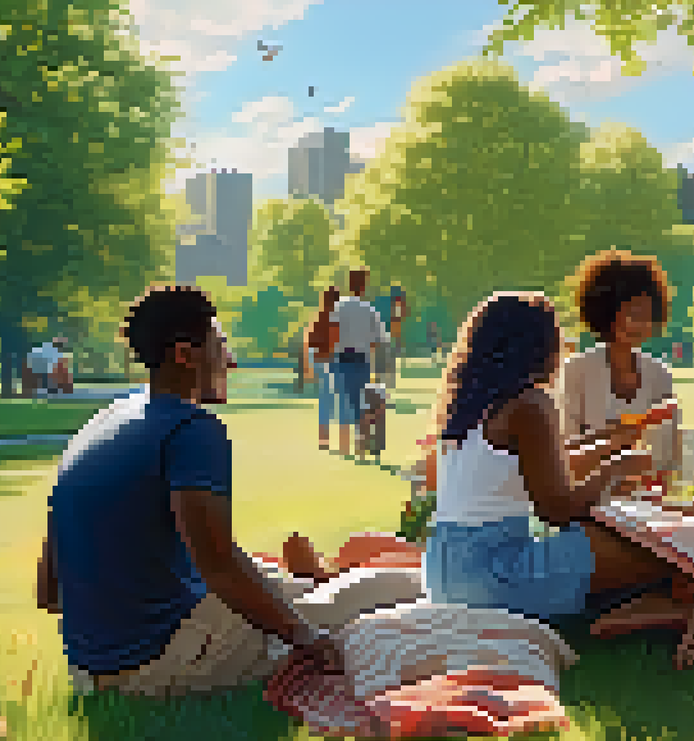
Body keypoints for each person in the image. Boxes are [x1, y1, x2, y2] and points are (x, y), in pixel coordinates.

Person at [38, 285, 421, 698]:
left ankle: (309, 578)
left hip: (89, 668)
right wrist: (306, 638)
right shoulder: (191, 429)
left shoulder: (102, 422)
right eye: (221, 345)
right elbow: (217, 565)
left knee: (282, 583)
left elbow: (49, 591)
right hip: (157, 664)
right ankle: (428, 589)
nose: (232, 361)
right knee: (366, 601)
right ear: (185, 355)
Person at [423, 292, 670, 621]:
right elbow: (557, 510)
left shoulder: (469, 407)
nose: (563, 347)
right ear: (536, 346)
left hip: (445, 574)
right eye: (558, 337)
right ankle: (650, 611)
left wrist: (610, 442)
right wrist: (615, 469)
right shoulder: (530, 403)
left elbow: (544, 465)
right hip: (492, 576)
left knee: (618, 541)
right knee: (658, 548)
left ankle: (625, 609)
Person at [555, 250, 681, 487]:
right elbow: (564, 452)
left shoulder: (659, 374)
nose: (640, 324)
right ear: (607, 314)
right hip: (588, 501)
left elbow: (668, 454)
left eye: (647, 315)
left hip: (647, 499)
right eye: (632, 314)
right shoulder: (577, 371)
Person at [331, 269, 391, 458]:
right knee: (361, 402)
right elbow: (379, 340)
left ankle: (345, 445)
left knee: (345, 401)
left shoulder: (338, 307)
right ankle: (361, 442)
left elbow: (332, 334)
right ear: (363, 286)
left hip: (342, 358)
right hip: (363, 359)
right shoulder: (370, 309)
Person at [306, 286, 341, 451]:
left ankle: (324, 438)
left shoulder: (319, 317)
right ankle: (337, 438)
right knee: (336, 400)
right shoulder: (336, 317)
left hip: (321, 360)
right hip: (332, 360)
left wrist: (310, 366)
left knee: (325, 400)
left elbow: (310, 342)